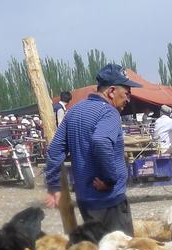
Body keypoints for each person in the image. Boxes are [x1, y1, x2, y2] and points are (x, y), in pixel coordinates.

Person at [45, 64, 140, 235]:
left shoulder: (74, 111)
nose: (128, 99)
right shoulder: (109, 113)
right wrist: (110, 179)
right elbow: (101, 141)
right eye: (127, 93)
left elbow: (54, 151)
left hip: (86, 201)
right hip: (109, 201)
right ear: (111, 91)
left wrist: (53, 185)